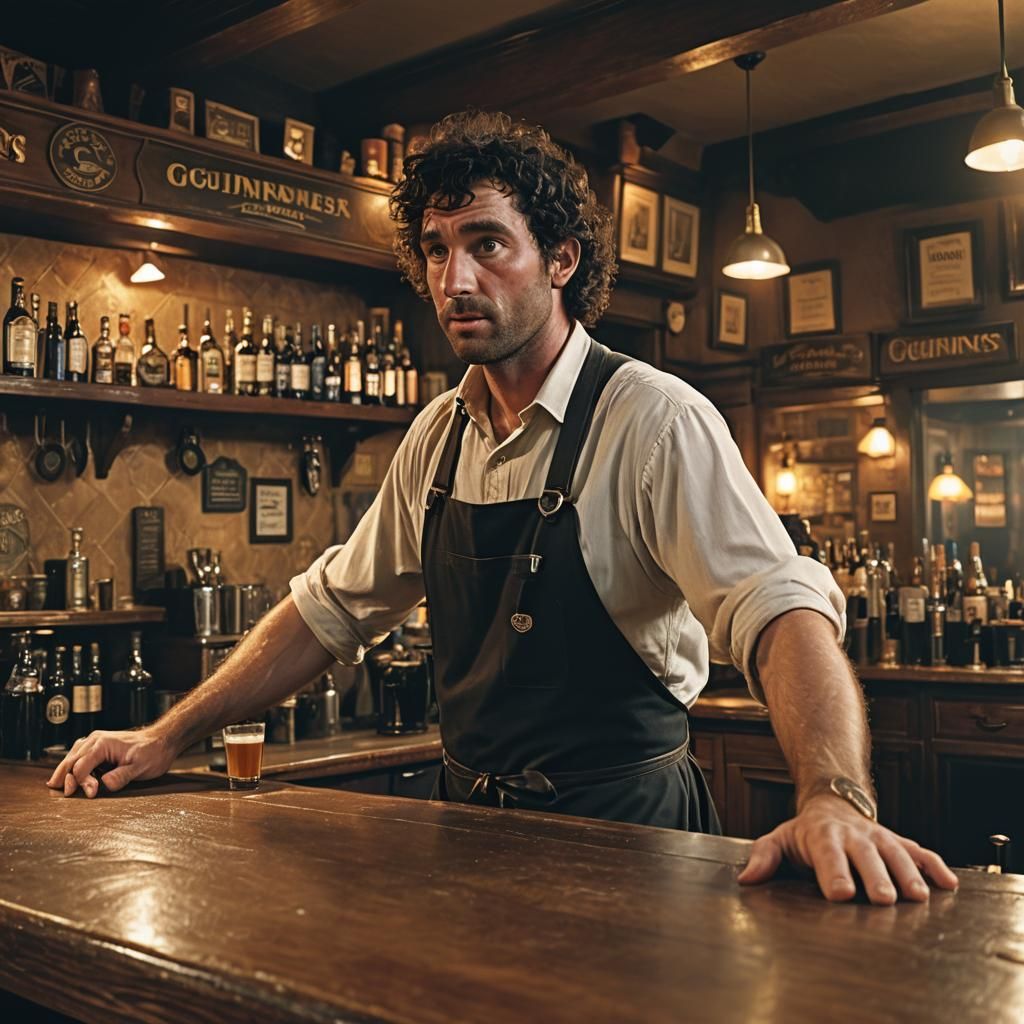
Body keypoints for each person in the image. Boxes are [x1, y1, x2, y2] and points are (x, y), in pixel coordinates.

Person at [48, 111, 958, 906]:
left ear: (561, 259)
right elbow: (328, 612)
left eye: (486, 243)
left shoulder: (655, 419)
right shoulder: (438, 435)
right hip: (471, 837)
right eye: (437, 250)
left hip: (634, 838)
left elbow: (779, 611)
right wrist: (166, 734)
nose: (455, 279)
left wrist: (835, 798)